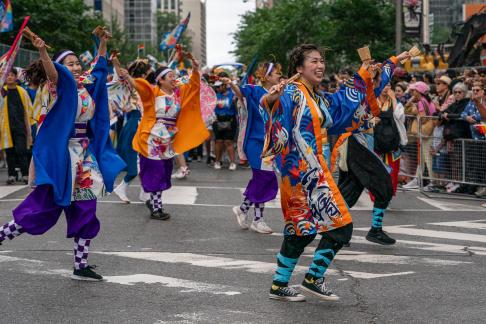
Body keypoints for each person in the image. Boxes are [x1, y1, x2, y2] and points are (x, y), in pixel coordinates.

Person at [0, 29, 125, 281]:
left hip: (83, 157)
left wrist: (102, 43)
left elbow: (100, 69)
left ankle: (81, 266)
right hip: (62, 157)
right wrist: (43, 50)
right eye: (70, 63)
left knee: (86, 209)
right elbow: (54, 72)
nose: (76, 66)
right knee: (42, 209)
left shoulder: (87, 85)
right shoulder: (61, 84)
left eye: (77, 61)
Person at [261, 44, 373, 301]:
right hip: (299, 173)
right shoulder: (290, 91)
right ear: (299, 67)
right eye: (314, 61)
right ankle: (309, 279)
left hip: (315, 172)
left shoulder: (316, 96)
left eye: (322, 60)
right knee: (329, 227)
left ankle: (283, 284)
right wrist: (270, 98)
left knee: (306, 229)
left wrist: (364, 75)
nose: (320, 65)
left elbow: (341, 105)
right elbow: (268, 103)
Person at [330, 51, 411, 245]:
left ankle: (335, 229)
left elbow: (385, 76)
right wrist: (365, 70)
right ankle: (372, 229)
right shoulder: (355, 91)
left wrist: (396, 59)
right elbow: (355, 87)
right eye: (374, 76)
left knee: (350, 190)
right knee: (384, 184)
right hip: (355, 144)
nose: (378, 80)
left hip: (361, 145)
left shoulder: (371, 93)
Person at [132, 55, 205, 220]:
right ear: (160, 80)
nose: (174, 78)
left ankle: (153, 202)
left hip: (169, 138)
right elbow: (138, 85)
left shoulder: (179, 93)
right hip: (153, 137)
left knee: (165, 172)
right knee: (156, 171)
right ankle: (157, 208)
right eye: (170, 76)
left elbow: (194, 86)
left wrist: (195, 69)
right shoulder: (153, 92)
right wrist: (125, 73)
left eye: (175, 75)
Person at [227, 62, 281, 234]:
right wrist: (230, 83)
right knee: (265, 178)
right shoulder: (255, 90)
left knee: (261, 178)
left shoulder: (279, 94)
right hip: (254, 141)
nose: (279, 76)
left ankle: (243, 209)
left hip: (270, 142)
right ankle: (258, 220)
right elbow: (240, 93)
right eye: (276, 74)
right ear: (266, 77)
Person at [111, 57, 148, 203]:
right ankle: (123, 187)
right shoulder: (131, 85)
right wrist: (115, 62)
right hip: (135, 124)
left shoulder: (145, 87)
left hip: (142, 124)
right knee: (136, 162)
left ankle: (145, 192)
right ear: (144, 74)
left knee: (145, 161)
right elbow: (120, 74)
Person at [0, 68, 33, 184]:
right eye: (7, 75)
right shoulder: (2, 91)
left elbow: (29, 108)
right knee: (9, 152)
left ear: (16, 77)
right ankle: (12, 175)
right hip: (6, 128)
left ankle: (25, 174)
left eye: (12, 75)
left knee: (21, 151)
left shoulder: (22, 91)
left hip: (20, 127)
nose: (9, 77)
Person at [212, 74, 238, 170]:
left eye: (219, 86)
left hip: (230, 121)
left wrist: (236, 101)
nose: (218, 88)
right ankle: (217, 161)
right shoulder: (215, 96)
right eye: (216, 87)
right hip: (217, 121)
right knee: (218, 142)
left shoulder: (233, 94)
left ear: (224, 85)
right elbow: (211, 109)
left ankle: (232, 162)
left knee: (228, 141)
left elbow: (238, 108)